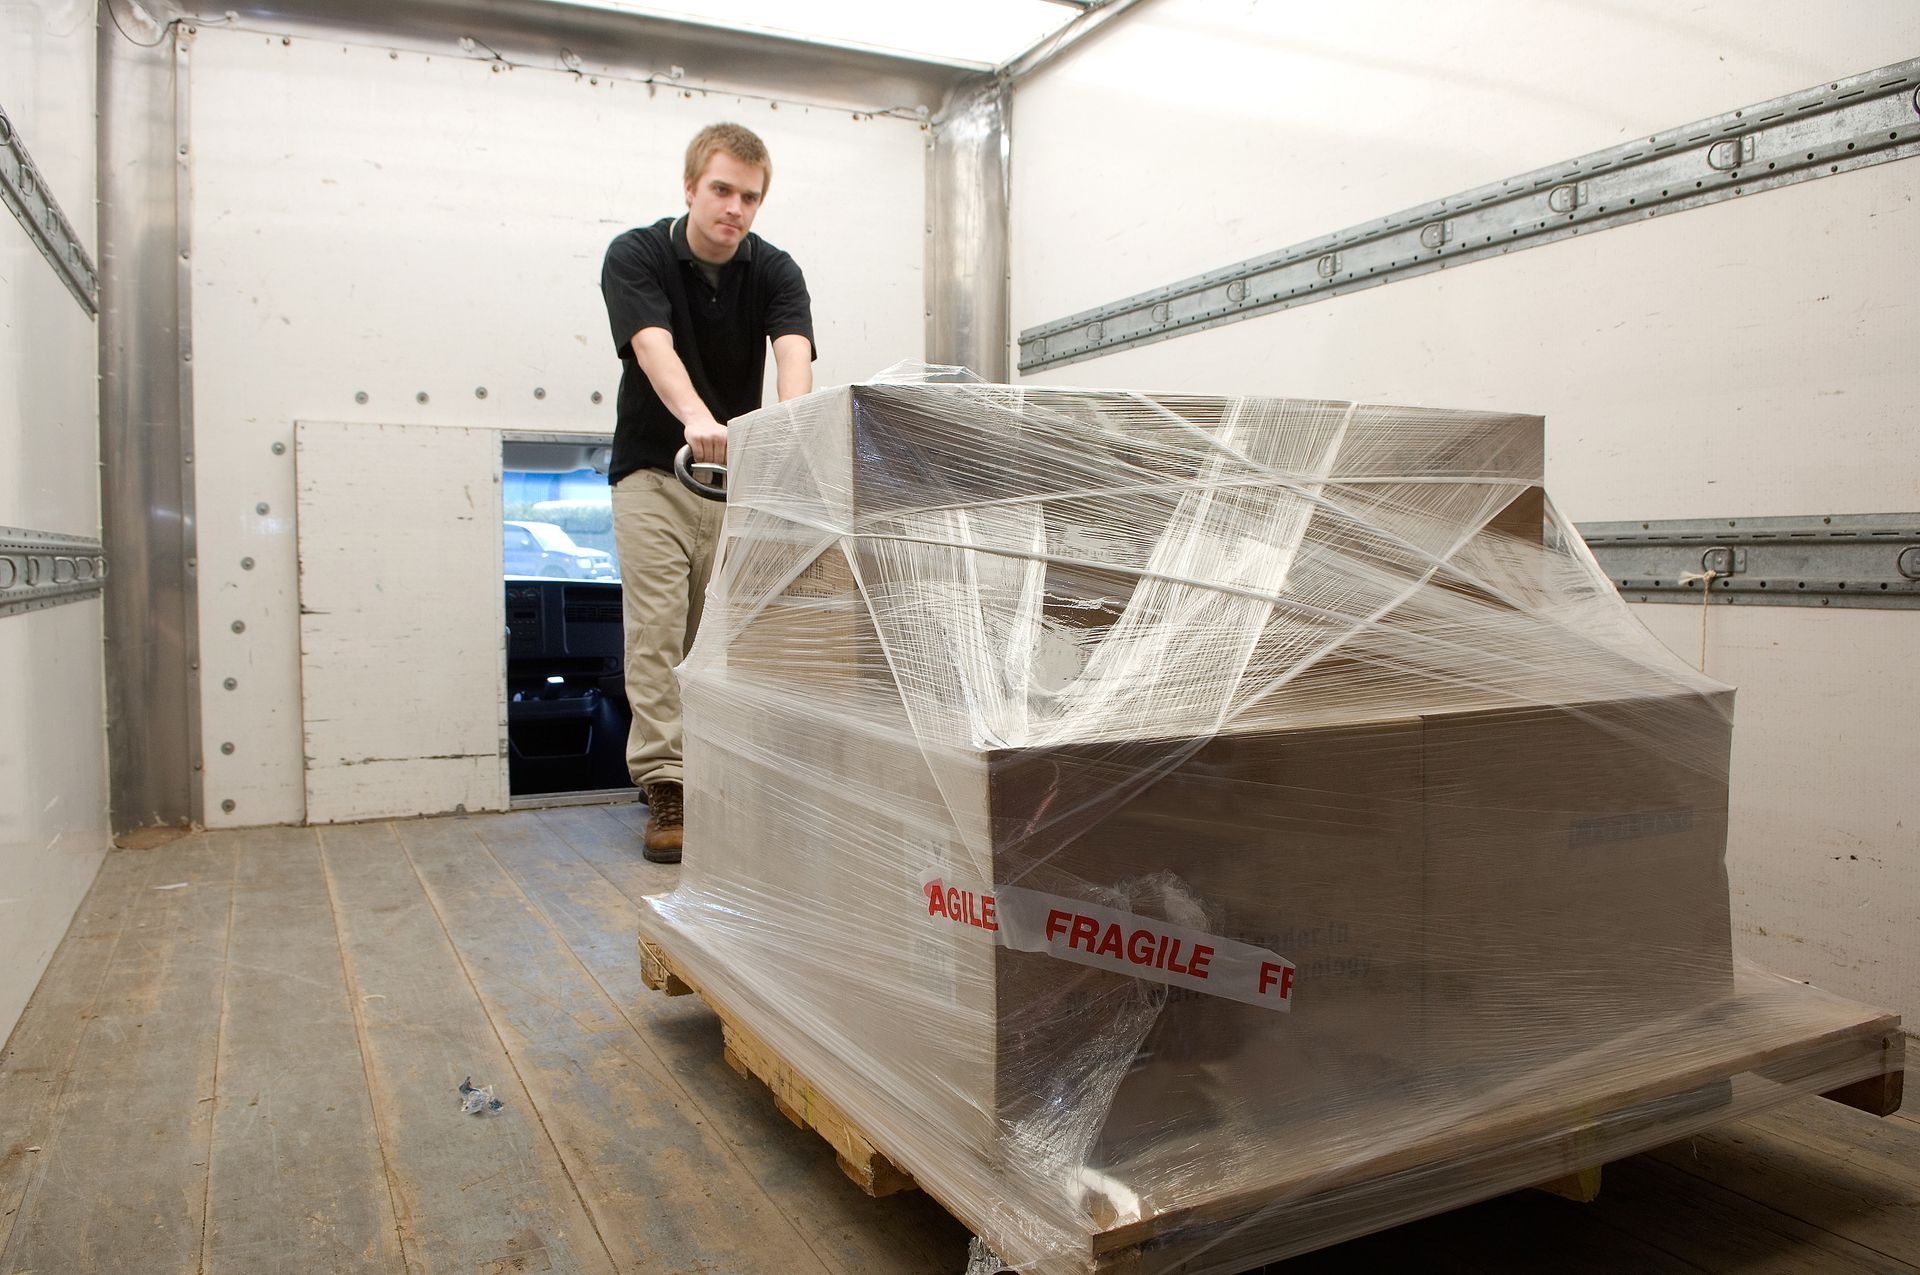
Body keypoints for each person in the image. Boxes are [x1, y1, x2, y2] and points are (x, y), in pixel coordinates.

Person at [600, 123, 815, 863]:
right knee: (660, 630)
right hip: (656, 471)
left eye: (750, 197)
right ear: (691, 186)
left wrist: (786, 436)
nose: (735, 208)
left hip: (734, 482)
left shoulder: (775, 270)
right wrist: (697, 418)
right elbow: (652, 344)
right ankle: (666, 782)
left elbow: (793, 361)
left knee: (721, 638)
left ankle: (717, 774)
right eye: (721, 190)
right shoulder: (638, 254)